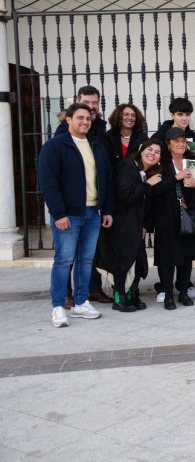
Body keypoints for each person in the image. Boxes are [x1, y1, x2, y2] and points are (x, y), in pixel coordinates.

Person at [39, 102, 114, 327]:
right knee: (63, 261)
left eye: (88, 118)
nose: (85, 122)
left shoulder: (97, 145)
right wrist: (59, 213)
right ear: (68, 120)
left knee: (85, 260)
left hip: (92, 213)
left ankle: (81, 303)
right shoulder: (55, 146)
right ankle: (58, 307)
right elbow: (49, 183)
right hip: (68, 215)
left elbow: (106, 179)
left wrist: (107, 209)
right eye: (80, 118)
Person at [95, 139, 162, 312]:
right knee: (122, 260)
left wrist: (145, 225)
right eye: (149, 149)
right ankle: (120, 297)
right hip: (121, 223)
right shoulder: (126, 168)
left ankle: (132, 294)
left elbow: (148, 205)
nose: (152, 154)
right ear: (141, 151)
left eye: (157, 152)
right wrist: (147, 185)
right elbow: (126, 196)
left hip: (136, 224)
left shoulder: (148, 174)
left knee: (137, 260)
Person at [148, 128, 195, 309]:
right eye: (176, 141)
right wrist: (177, 177)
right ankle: (168, 295)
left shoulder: (192, 161)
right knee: (167, 258)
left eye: (183, 141)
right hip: (166, 216)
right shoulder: (161, 163)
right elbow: (155, 189)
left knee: (186, 256)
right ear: (168, 144)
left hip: (187, 215)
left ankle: (183, 292)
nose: (181, 144)